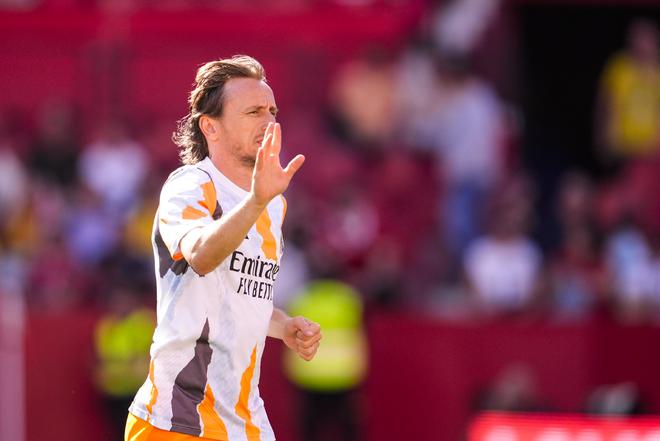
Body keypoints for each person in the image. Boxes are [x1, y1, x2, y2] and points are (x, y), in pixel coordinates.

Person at [125, 55, 322, 441]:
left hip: (246, 421)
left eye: (272, 111)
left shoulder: (273, 204)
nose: (268, 121)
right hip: (177, 421)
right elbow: (201, 255)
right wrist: (256, 201)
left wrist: (283, 326)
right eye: (253, 112)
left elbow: (236, 295)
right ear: (210, 127)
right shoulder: (191, 186)